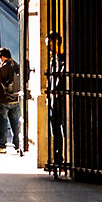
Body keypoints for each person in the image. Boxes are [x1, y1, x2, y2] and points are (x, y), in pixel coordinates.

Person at [43, 31, 69, 170]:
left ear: (57, 42)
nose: (48, 48)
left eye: (50, 44)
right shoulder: (54, 60)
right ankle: (58, 159)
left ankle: (65, 159)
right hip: (54, 100)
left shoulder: (66, 59)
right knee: (56, 131)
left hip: (63, 100)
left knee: (64, 130)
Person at [0, 46, 23, 154]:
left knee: (3, 124)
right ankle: (17, 145)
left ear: (2, 57)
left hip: (3, 100)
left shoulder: (2, 68)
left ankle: (2, 145)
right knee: (15, 124)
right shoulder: (17, 66)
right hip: (15, 99)